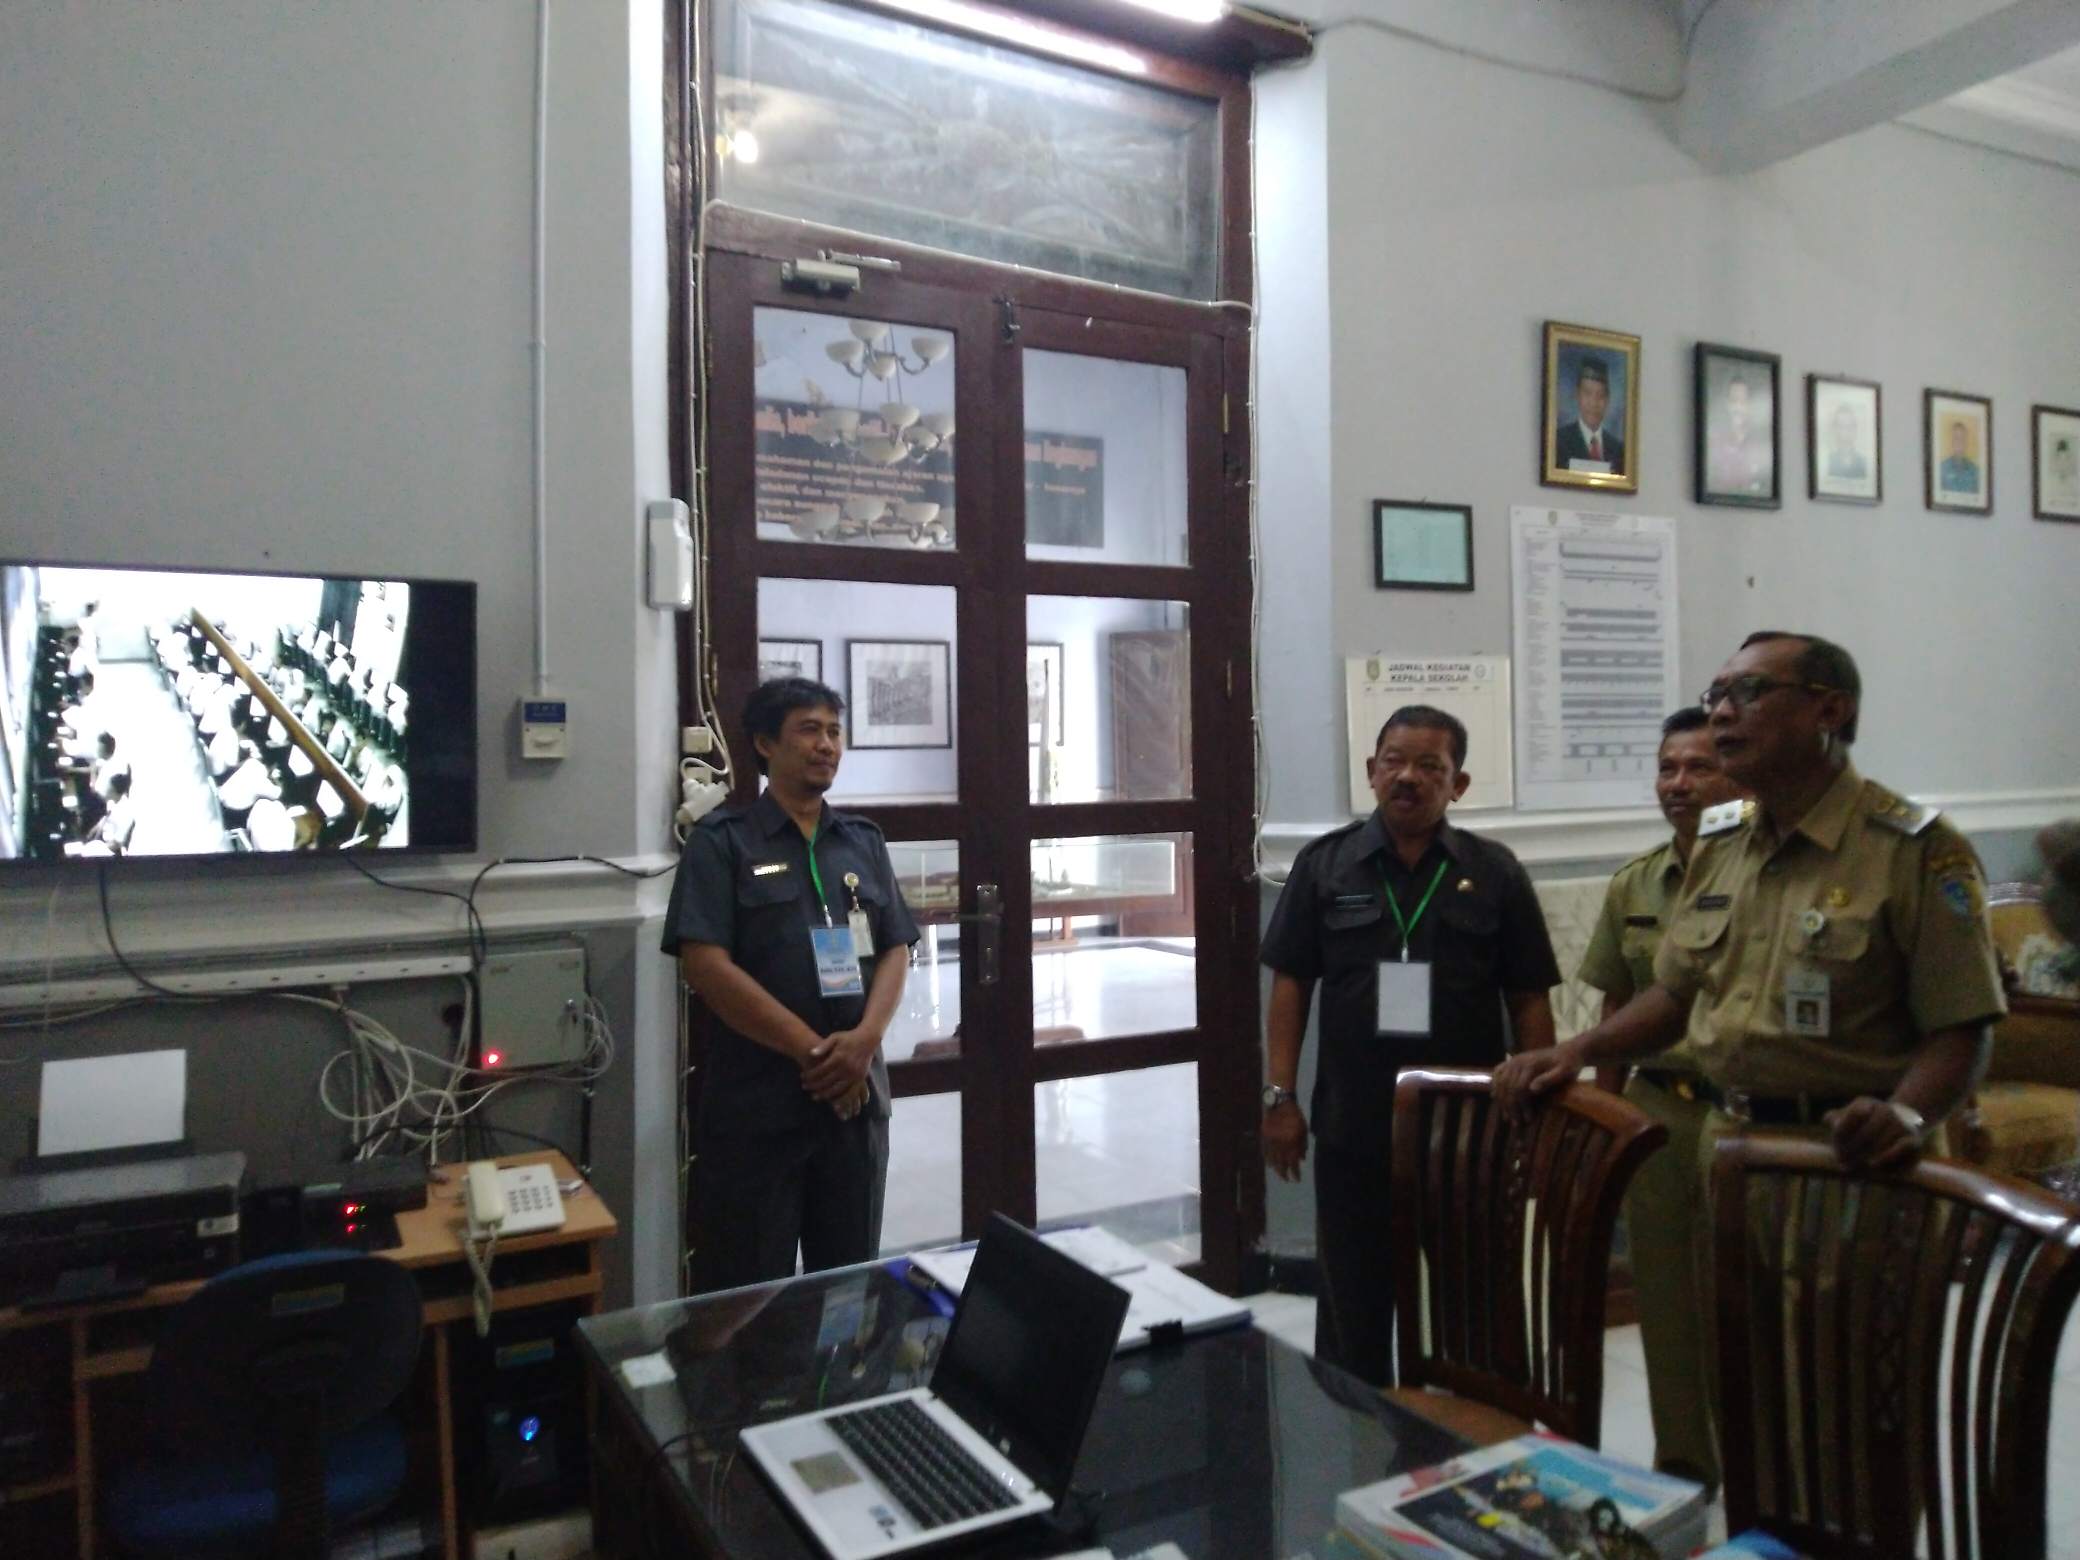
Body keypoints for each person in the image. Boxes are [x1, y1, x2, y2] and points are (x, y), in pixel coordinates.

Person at [1260, 705, 1560, 1386]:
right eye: (1394, 760)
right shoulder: (1324, 865)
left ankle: (1458, 1435)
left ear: (1459, 784)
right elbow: (1291, 986)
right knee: (1352, 1307)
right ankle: (1355, 1436)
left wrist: (1537, 1114)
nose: (1409, 777)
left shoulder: (1495, 872)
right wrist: (1280, 1097)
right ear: (1371, 772)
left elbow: (1529, 999)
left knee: (1469, 1302)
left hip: (1465, 1131)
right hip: (1353, 1127)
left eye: (1431, 765)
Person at [662, 677, 918, 1293]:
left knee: (846, 1284)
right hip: (760, 1111)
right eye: (809, 730)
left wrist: (862, 1043)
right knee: (750, 1292)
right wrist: (813, 1052)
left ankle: (836, 1392)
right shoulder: (722, 844)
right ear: (764, 744)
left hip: (853, 1108)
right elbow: (705, 966)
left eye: (833, 731)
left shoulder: (861, 842)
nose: (826, 745)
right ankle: (753, 1391)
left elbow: (894, 948)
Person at [1574, 707, 1743, 1488]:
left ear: (1738, 772)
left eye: (1699, 768)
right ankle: (1684, 1464)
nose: (1678, 785)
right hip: (1660, 1110)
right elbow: (1614, 1012)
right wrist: (1604, 1122)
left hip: (1746, 1112)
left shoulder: (1767, 872)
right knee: (1666, 1302)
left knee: (1746, 1300)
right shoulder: (1636, 882)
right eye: (1668, 769)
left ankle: (1760, 1465)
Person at [1555, 355, 1626, 475]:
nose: (1593, 403)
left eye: (1600, 396)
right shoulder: (1559, 442)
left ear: (1608, 400)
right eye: (1587, 394)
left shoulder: (1618, 450)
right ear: (1577, 396)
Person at [1706, 376, 1768, 496]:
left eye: (1743, 401)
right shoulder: (1715, 441)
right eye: (1734, 400)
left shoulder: (1760, 442)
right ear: (1727, 404)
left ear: (1749, 405)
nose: (1738, 408)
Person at [1824, 402, 1868, 482]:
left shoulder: (1863, 462)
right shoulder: (1827, 461)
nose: (1846, 431)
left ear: (1855, 430)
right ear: (1835, 430)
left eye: (1850, 426)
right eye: (1841, 426)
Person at [1939, 420, 1980, 494]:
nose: (1959, 442)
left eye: (1962, 438)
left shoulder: (1974, 471)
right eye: (1956, 438)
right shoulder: (1942, 469)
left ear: (1966, 442)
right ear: (1951, 441)